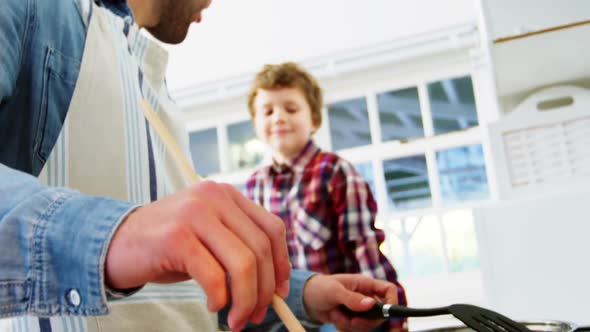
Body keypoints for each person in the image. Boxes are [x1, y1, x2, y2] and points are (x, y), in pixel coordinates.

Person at [0, 0, 402, 331]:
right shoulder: (33, 11)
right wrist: (116, 234)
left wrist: (305, 294)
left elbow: (184, 287)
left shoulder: (155, 85)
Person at [244, 62, 408, 331]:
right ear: (255, 123)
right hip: (292, 317)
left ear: (315, 120)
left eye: (291, 108)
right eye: (268, 111)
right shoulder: (254, 187)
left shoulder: (335, 173)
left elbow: (364, 250)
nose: (278, 118)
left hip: (344, 315)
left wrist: (392, 319)